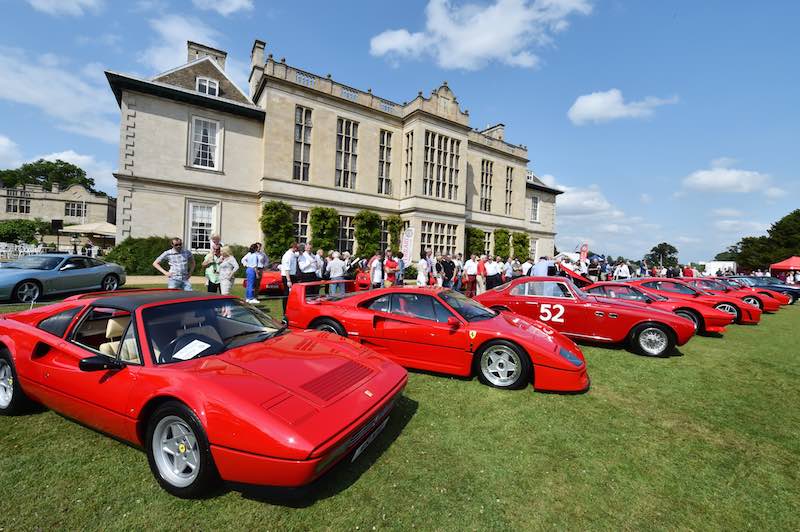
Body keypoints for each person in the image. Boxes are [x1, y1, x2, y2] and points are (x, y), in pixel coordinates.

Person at [279, 242, 299, 311]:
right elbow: (286, 269)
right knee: (287, 293)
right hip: (287, 276)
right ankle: (285, 310)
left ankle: (291, 307)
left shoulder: (292, 254)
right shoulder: (288, 255)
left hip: (292, 275)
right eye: (297, 248)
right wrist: (288, 280)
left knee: (293, 293)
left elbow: (297, 254)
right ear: (294, 247)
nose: (298, 249)